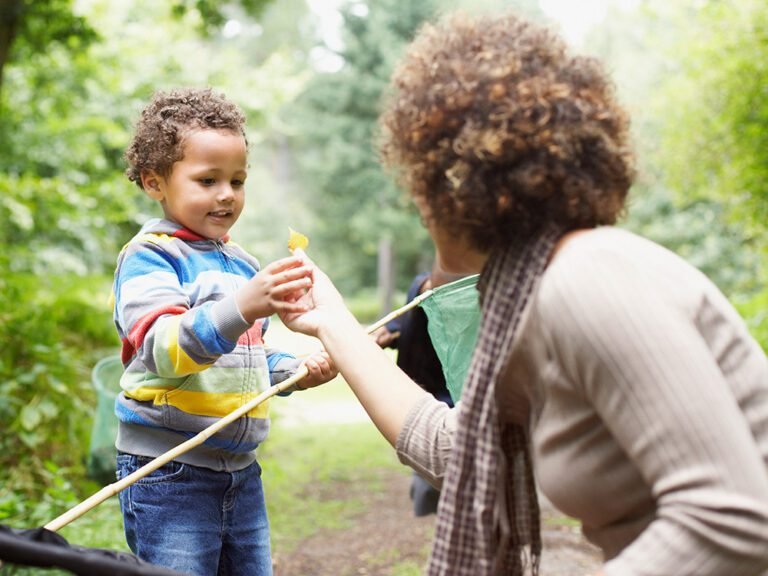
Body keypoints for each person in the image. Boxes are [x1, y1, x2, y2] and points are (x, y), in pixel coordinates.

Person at [279, 11, 768, 576]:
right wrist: (333, 322)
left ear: (455, 188)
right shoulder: (534, 304)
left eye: (421, 184)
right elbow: (453, 452)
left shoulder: (589, 278)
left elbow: (731, 518)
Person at [112, 87, 337, 576]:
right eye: (207, 179)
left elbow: (247, 359)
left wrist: (293, 371)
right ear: (155, 182)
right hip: (169, 471)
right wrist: (240, 306)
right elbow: (165, 351)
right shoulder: (151, 256)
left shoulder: (243, 264)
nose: (226, 194)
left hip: (240, 472)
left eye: (237, 180)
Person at [373, 266, 463, 516]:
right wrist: (391, 331)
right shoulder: (422, 285)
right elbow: (408, 321)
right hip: (429, 392)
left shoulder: (473, 296)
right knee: (432, 481)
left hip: (458, 394)